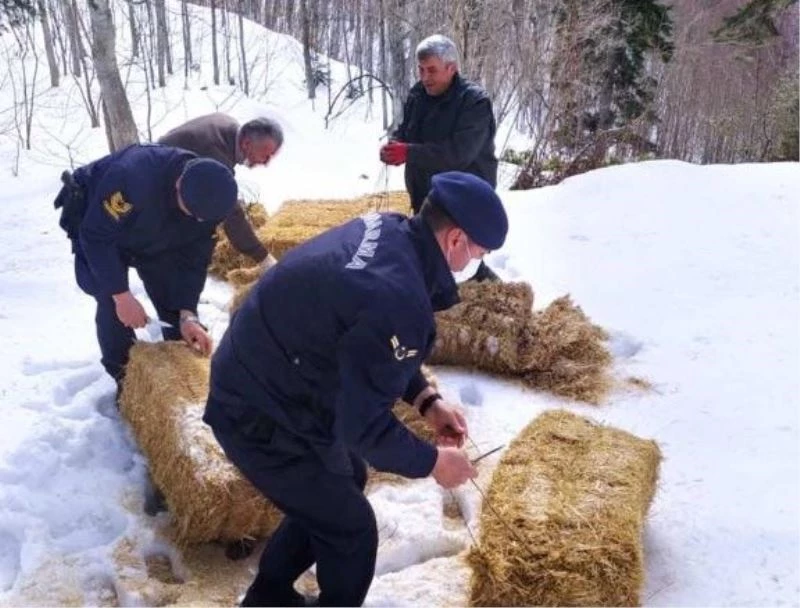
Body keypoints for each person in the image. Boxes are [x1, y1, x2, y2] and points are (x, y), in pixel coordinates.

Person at [203, 171, 508, 606]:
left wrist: (427, 400)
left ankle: (267, 596)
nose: (475, 262)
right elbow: (362, 428)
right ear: (456, 239)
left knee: (347, 480)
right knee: (352, 528)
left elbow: (363, 343)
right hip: (256, 408)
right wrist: (434, 462)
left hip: (275, 374)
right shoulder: (399, 298)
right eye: (480, 251)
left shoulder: (390, 232)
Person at [53, 144, 238, 383]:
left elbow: (194, 259)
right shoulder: (133, 177)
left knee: (173, 298)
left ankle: (183, 377)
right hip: (98, 223)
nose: (197, 220)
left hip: (153, 230)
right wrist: (121, 296)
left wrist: (187, 313)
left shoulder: (208, 201)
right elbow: (96, 237)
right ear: (179, 184)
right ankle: (126, 380)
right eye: (192, 213)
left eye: (201, 218)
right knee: (110, 300)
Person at [380, 34, 500, 282]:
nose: (425, 77)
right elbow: (406, 129)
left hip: (465, 199)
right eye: (421, 70)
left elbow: (458, 153)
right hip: (427, 194)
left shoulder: (474, 102)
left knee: (465, 263)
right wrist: (395, 144)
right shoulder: (418, 94)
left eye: (431, 70)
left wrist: (409, 152)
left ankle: (494, 300)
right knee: (430, 257)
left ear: (451, 68)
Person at [158, 114, 284, 265]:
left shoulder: (229, 126)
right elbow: (231, 213)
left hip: (173, 176)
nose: (266, 163)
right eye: (266, 156)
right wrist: (263, 258)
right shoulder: (215, 152)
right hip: (153, 186)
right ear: (246, 143)